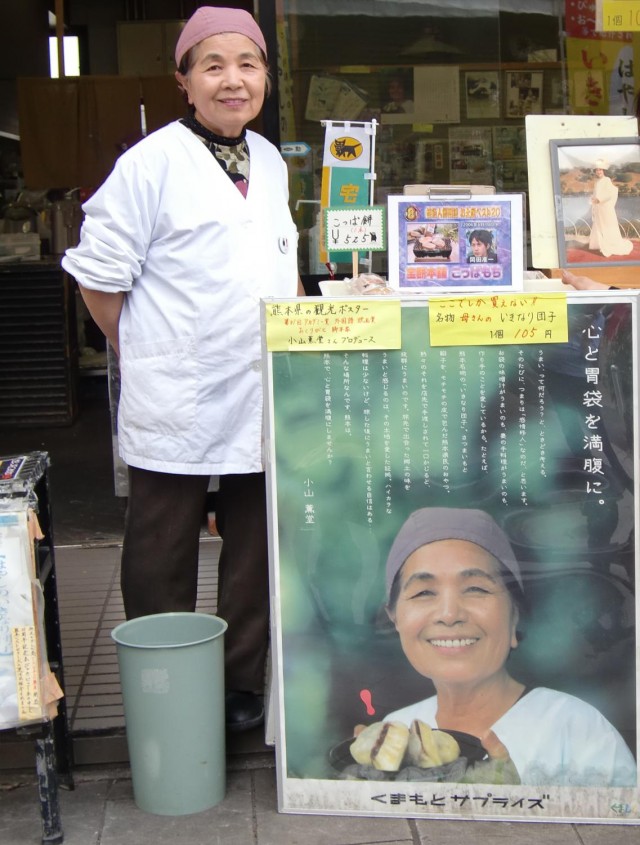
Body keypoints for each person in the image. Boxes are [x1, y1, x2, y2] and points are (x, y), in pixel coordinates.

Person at [62, 7, 303, 732]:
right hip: (178, 392)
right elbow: (99, 279)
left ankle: (237, 692)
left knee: (257, 543)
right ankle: (167, 688)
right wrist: (147, 348)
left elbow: (278, 264)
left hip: (260, 387)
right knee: (162, 545)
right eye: (214, 66)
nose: (234, 80)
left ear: (265, 76)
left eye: (248, 64)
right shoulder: (149, 164)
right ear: (185, 81)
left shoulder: (269, 159)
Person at [382, 507, 636, 786]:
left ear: (514, 614)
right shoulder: (393, 733)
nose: (450, 614)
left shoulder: (577, 730)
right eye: (424, 592)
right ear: (395, 617)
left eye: (476, 589)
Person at [588, 159, 633, 258]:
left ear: (603, 171)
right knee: (599, 225)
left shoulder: (607, 180)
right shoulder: (597, 181)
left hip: (605, 208)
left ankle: (609, 244)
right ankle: (599, 243)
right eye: (597, 170)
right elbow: (596, 193)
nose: (598, 172)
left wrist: (599, 199)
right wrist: (593, 199)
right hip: (599, 208)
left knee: (607, 225)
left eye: (600, 170)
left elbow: (610, 193)